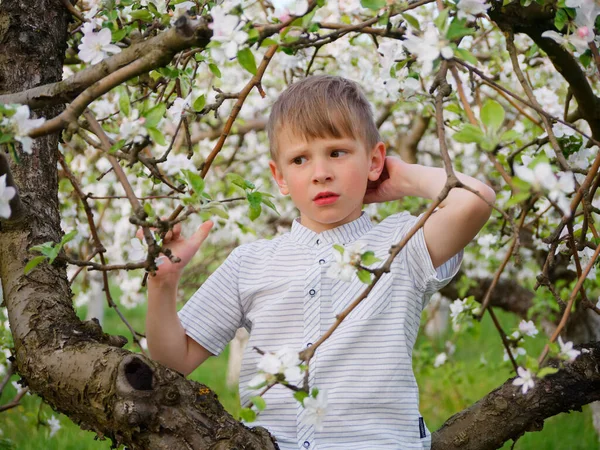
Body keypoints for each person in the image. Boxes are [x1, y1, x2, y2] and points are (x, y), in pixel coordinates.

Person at [145, 75, 496, 449]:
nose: (320, 172)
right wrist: (163, 285)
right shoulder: (251, 262)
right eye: (300, 159)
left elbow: (475, 199)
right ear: (279, 177)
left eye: (337, 152)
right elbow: (175, 361)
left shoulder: (403, 244)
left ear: (374, 159)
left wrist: (400, 179)